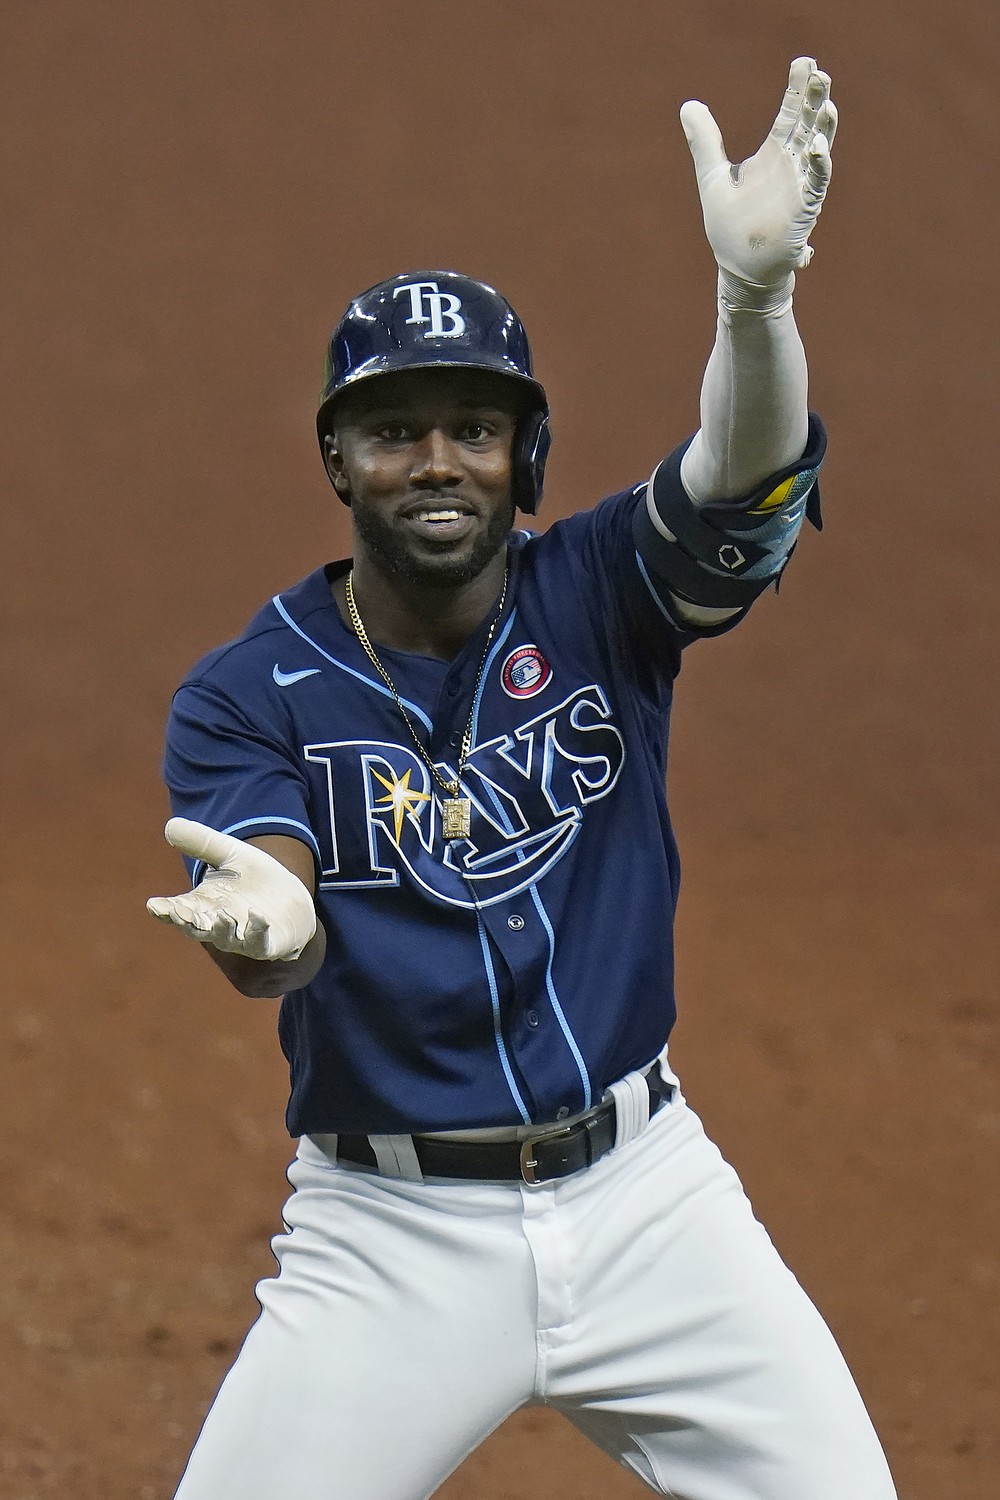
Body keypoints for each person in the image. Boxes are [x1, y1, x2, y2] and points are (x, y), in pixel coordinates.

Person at [147, 57, 898, 1500]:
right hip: (390, 1239)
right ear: (337, 460)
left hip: (650, 1205)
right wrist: (274, 924)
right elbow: (272, 896)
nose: (437, 461)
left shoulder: (603, 593)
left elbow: (740, 477)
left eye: (473, 429)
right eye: (392, 431)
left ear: (525, 453)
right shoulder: (250, 691)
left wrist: (756, 309)